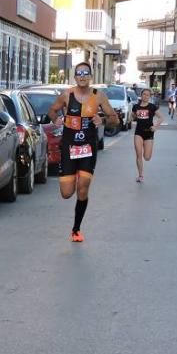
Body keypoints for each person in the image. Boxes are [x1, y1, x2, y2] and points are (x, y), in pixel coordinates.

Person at [47, 62, 119, 243]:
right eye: (79, 73)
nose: (82, 76)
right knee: (66, 193)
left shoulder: (98, 96)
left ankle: (76, 229)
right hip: (69, 148)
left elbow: (114, 120)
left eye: (86, 73)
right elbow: (52, 111)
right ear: (75, 76)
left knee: (83, 188)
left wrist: (102, 120)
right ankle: (74, 176)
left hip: (88, 148)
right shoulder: (67, 95)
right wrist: (56, 120)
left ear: (90, 76)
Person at [131, 88, 165, 183]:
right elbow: (132, 117)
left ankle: (146, 159)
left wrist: (155, 127)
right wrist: (133, 116)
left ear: (150, 97)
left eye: (147, 95)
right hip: (138, 132)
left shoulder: (152, 107)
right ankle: (140, 175)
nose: (145, 96)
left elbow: (161, 118)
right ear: (141, 95)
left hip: (149, 132)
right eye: (144, 94)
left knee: (147, 157)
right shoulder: (136, 106)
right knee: (138, 154)